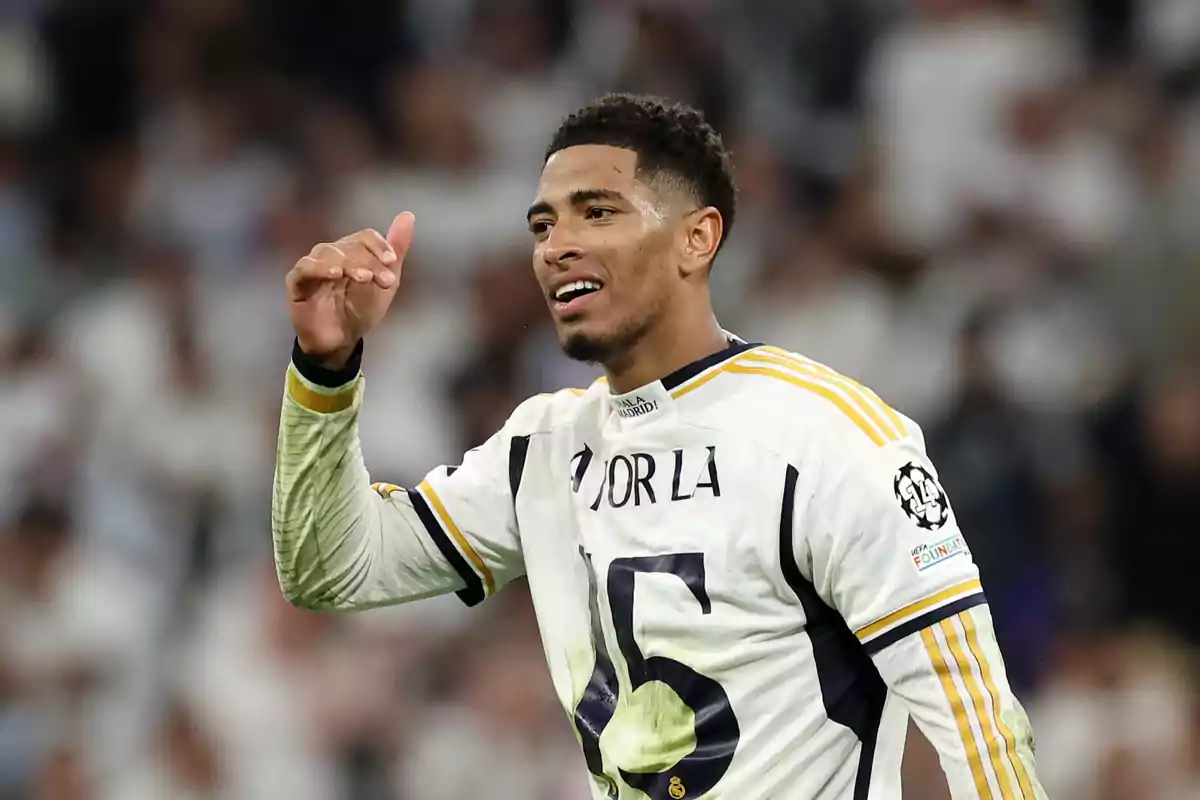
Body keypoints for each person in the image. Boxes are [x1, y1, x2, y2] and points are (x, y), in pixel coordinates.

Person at [272, 93, 1045, 800]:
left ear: (696, 239)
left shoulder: (828, 437)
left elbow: (977, 724)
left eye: (597, 213)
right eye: (543, 225)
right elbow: (328, 568)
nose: (557, 246)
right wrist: (325, 371)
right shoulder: (541, 448)